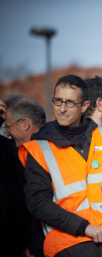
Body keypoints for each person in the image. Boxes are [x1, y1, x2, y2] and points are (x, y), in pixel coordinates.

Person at [20, 75, 102, 257]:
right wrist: (84, 227)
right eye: (58, 101)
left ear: (84, 106)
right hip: (67, 247)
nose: (62, 109)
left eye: (70, 103)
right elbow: (38, 203)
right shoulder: (39, 148)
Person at [2, 95, 46, 257]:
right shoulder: (15, 152)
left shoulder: (49, 153)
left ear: (25, 124)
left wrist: (35, 246)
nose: (7, 133)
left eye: (9, 126)